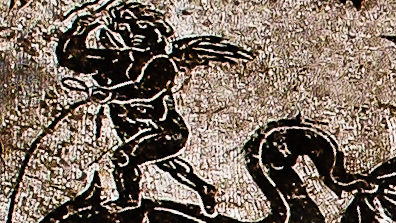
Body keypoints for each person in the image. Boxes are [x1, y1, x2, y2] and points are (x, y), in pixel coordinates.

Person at [54, 0, 253, 209]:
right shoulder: (112, 60)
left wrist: (111, 94)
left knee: (124, 157)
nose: (131, 34)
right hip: (132, 128)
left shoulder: (160, 62)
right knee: (167, 164)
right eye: (125, 29)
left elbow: (146, 90)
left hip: (164, 130)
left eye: (138, 29)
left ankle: (129, 202)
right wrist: (79, 30)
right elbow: (71, 58)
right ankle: (203, 188)